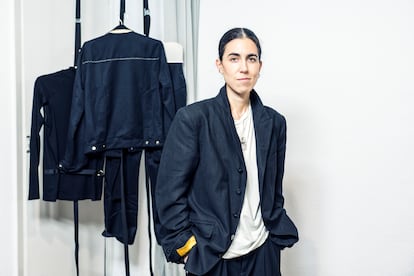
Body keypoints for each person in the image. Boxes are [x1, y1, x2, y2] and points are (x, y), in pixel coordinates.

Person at [154, 27, 298, 276]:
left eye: (251, 59)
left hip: (263, 253)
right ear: (220, 65)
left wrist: (273, 240)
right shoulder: (193, 119)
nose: (244, 67)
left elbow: (273, 189)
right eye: (234, 58)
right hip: (212, 257)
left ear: (260, 66)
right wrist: (188, 250)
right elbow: (169, 194)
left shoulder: (274, 123)